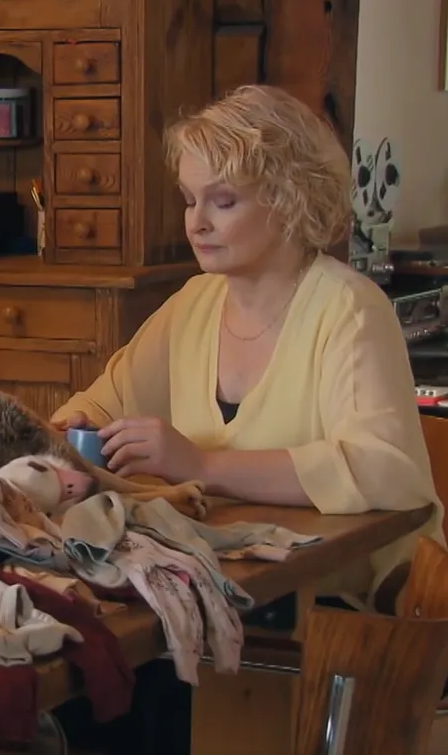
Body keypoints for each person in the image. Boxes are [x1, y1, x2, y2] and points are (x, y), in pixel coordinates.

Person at [49, 84, 444, 753]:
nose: (196, 222)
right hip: (226, 589)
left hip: (340, 608)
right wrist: (76, 428)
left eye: (223, 201)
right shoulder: (194, 304)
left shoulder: (348, 309)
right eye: (189, 199)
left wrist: (202, 464)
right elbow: (102, 402)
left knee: (138, 676)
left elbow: (385, 470)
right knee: (95, 671)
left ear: (289, 200)